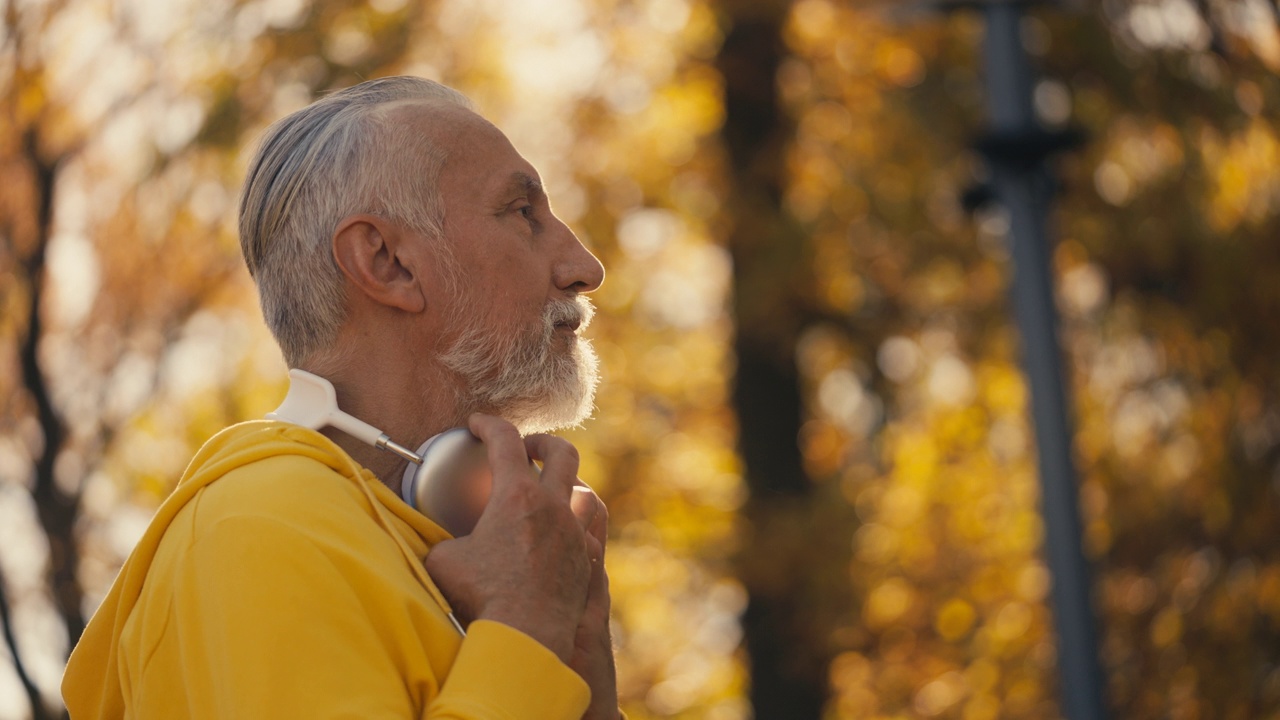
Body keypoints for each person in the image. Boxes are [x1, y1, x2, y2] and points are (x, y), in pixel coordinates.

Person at [62, 76, 620, 719]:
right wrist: (526, 632)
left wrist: (586, 692)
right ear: (387, 263)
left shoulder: (471, 551)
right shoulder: (261, 526)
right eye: (524, 214)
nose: (585, 266)